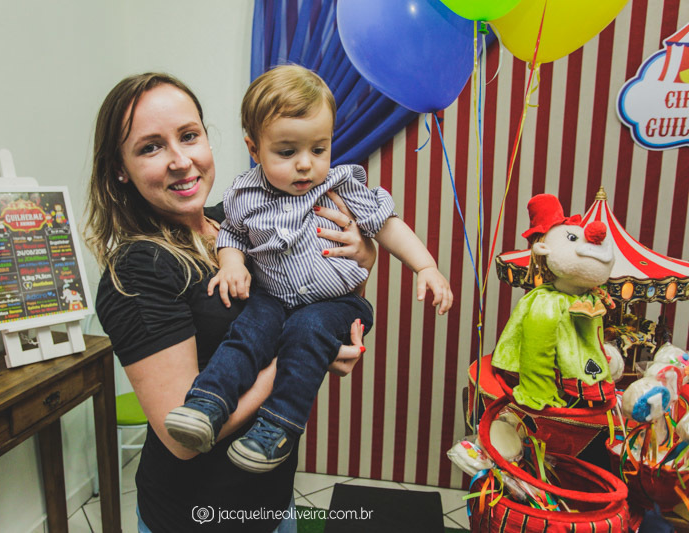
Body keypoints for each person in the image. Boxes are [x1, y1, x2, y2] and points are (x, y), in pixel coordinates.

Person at [85, 72, 376, 533]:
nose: (181, 160)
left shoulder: (235, 224)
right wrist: (306, 354)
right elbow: (182, 440)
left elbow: (325, 289)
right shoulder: (139, 271)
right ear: (120, 167)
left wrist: (365, 254)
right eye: (151, 147)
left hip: (272, 499)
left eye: (189, 136)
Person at [165, 65, 453, 475]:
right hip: (273, 297)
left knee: (308, 329)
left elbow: (386, 225)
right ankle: (206, 403)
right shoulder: (244, 195)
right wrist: (231, 264)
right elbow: (232, 234)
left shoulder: (341, 184)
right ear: (254, 147)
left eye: (318, 149)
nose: (305, 164)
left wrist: (425, 266)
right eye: (287, 152)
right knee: (248, 331)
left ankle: (277, 429)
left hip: (337, 305)